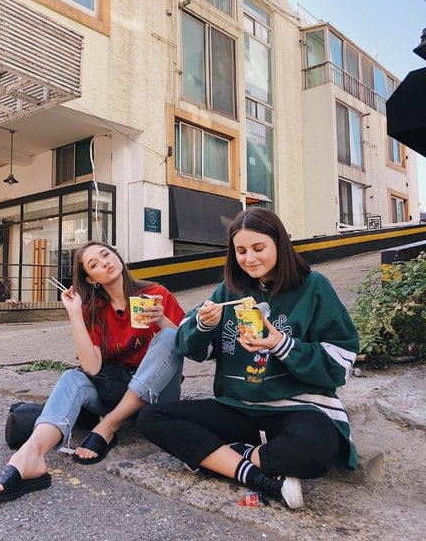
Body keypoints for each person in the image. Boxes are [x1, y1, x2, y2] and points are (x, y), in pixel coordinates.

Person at [137, 207, 359, 510]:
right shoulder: (230, 290)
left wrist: (281, 344)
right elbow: (192, 346)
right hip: (238, 407)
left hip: (298, 408)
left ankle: (225, 456)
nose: (249, 258)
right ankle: (260, 477)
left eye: (258, 248)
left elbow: (340, 362)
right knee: (152, 418)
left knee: (317, 447)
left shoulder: (313, 286)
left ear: (279, 243)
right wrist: (204, 325)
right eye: (240, 251)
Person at [0, 241, 185, 502]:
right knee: (71, 377)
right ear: (91, 279)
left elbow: (185, 345)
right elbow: (92, 367)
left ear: (117, 256)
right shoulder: (94, 310)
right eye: (94, 264)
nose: (104, 263)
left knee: (169, 337)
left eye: (106, 255)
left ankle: (108, 426)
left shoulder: (156, 293)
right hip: (114, 391)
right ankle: (31, 455)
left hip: (158, 396)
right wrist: (75, 314)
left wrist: (162, 320)